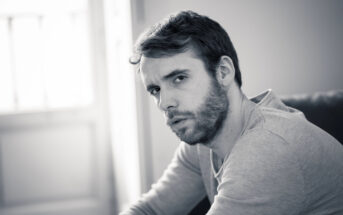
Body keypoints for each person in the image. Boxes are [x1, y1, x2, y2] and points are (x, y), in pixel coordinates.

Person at [120, 10, 343, 215]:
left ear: (223, 72)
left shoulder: (267, 147)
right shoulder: (202, 141)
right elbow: (152, 210)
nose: (164, 103)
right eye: (155, 90)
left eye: (179, 78)